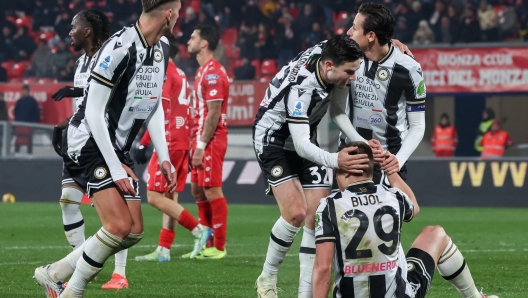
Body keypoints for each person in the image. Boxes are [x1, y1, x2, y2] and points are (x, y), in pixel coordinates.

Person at [34, 0, 181, 297]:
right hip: (90, 140)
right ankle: (71, 291)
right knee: (117, 225)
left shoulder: (162, 47)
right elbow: (93, 113)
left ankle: (54, 273)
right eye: (178, 10)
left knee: (134, 230)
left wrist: (164, 157)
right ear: (168, 14)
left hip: (115, 145)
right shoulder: (118, 49)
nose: (179, 16)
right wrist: (115, 167)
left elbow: (151, 103)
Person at [253, 34, 375, 298]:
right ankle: (267, 276)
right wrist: (335, 159)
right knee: (296, 212)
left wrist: (362, 142)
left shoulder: (335, 58)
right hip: (274, 139)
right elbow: (300, 146)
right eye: (350, 72)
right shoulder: (301, 87)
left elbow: (338, 112)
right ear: (328, 67)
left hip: (305, 135)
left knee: (316, 217)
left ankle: (305, 295)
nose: (353, 77)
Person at [312, 142, 499, 298]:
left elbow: (323, 268)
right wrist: (389, 168)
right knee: (435, 233)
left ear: (344, 173)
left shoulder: (329, 205)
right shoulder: (393, 197)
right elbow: (414, 207)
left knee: (341, 282)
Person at [50, 9, 131, 290]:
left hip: (101, 142)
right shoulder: (81, 61)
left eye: (74, 26)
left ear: (87, 31)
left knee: (115, 212)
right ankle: (86, 261)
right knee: (67, 200)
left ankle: (119, 273)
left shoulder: (109, 56)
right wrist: (65, 125)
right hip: (79, 142)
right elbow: (85, 102)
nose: (69, 31)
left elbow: (107, 98)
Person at [134, 35, 212, 262]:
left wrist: (145, 141)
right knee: (170, 195)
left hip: (168, 141)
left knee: (154, 197)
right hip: (181, 141)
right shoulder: (180, 73)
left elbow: (160, 111)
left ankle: (199, 230)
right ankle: (164, 250)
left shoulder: (164, 72)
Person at [337, 2, 426, 186]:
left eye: (354, 28)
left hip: (388, 159)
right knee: (345, 214)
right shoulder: (347, 57)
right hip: (351, 153)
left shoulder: (409, 68)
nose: (348, 32)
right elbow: (336, 110)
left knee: (397, 214)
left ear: (371, 36)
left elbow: (417, 125)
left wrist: (398, 160)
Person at [183, 24, 230, 259]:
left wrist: (200, 146)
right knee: (198, 191)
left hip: (210, 139)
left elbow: (213, 113)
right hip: (200, 139)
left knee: (212, 191)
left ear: (204, 43)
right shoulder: (202, 71)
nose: (188, 41)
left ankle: (219, 247)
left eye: (193, 37)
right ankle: (206, 242)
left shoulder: (213, 73)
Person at [14, 84, 40, 154]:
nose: (25, 92)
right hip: (19, 125)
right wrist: (16, 123)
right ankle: (16, 154)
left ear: (29, 91)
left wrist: (34, 122)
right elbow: (16, 112)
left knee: (29, 141)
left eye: (26, 91)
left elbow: (36, 113)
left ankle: (29, 155)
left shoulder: (33, 101)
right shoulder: (19, 101)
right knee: (18, 140)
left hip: (29, 124)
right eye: (23, 91)